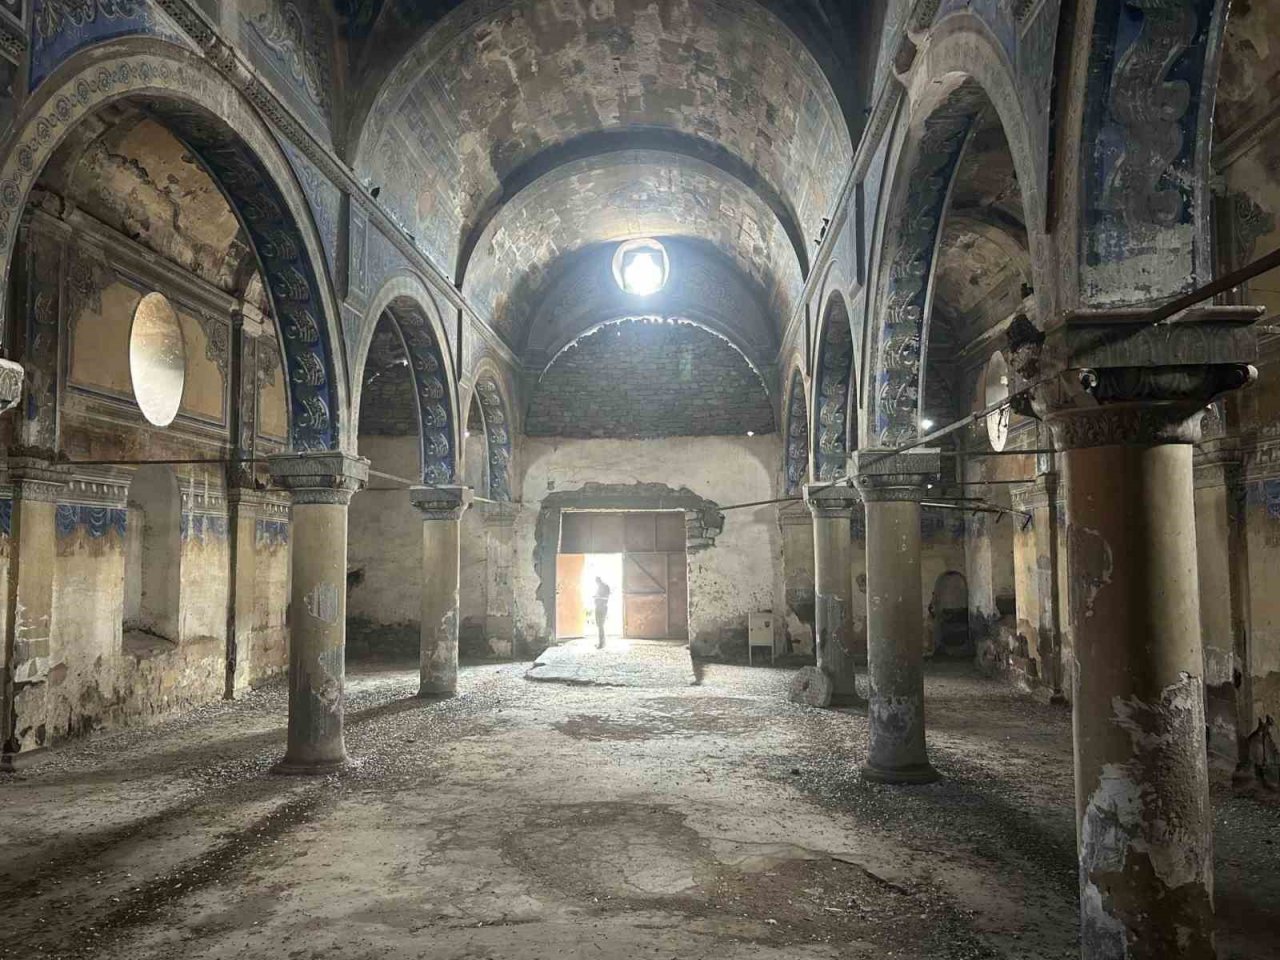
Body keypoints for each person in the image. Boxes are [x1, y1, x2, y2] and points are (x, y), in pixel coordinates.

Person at [593, 576, 611, 649]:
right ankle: (602, 642)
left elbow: (606, 598)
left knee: (600, 625)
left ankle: (602, 643)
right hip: (598, 606)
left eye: (597, 582)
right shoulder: (600, 587)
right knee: (599, 625)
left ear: (599, 581)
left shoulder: (605, 586)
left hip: (602, 607)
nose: (597, 583)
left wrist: (597, 597)